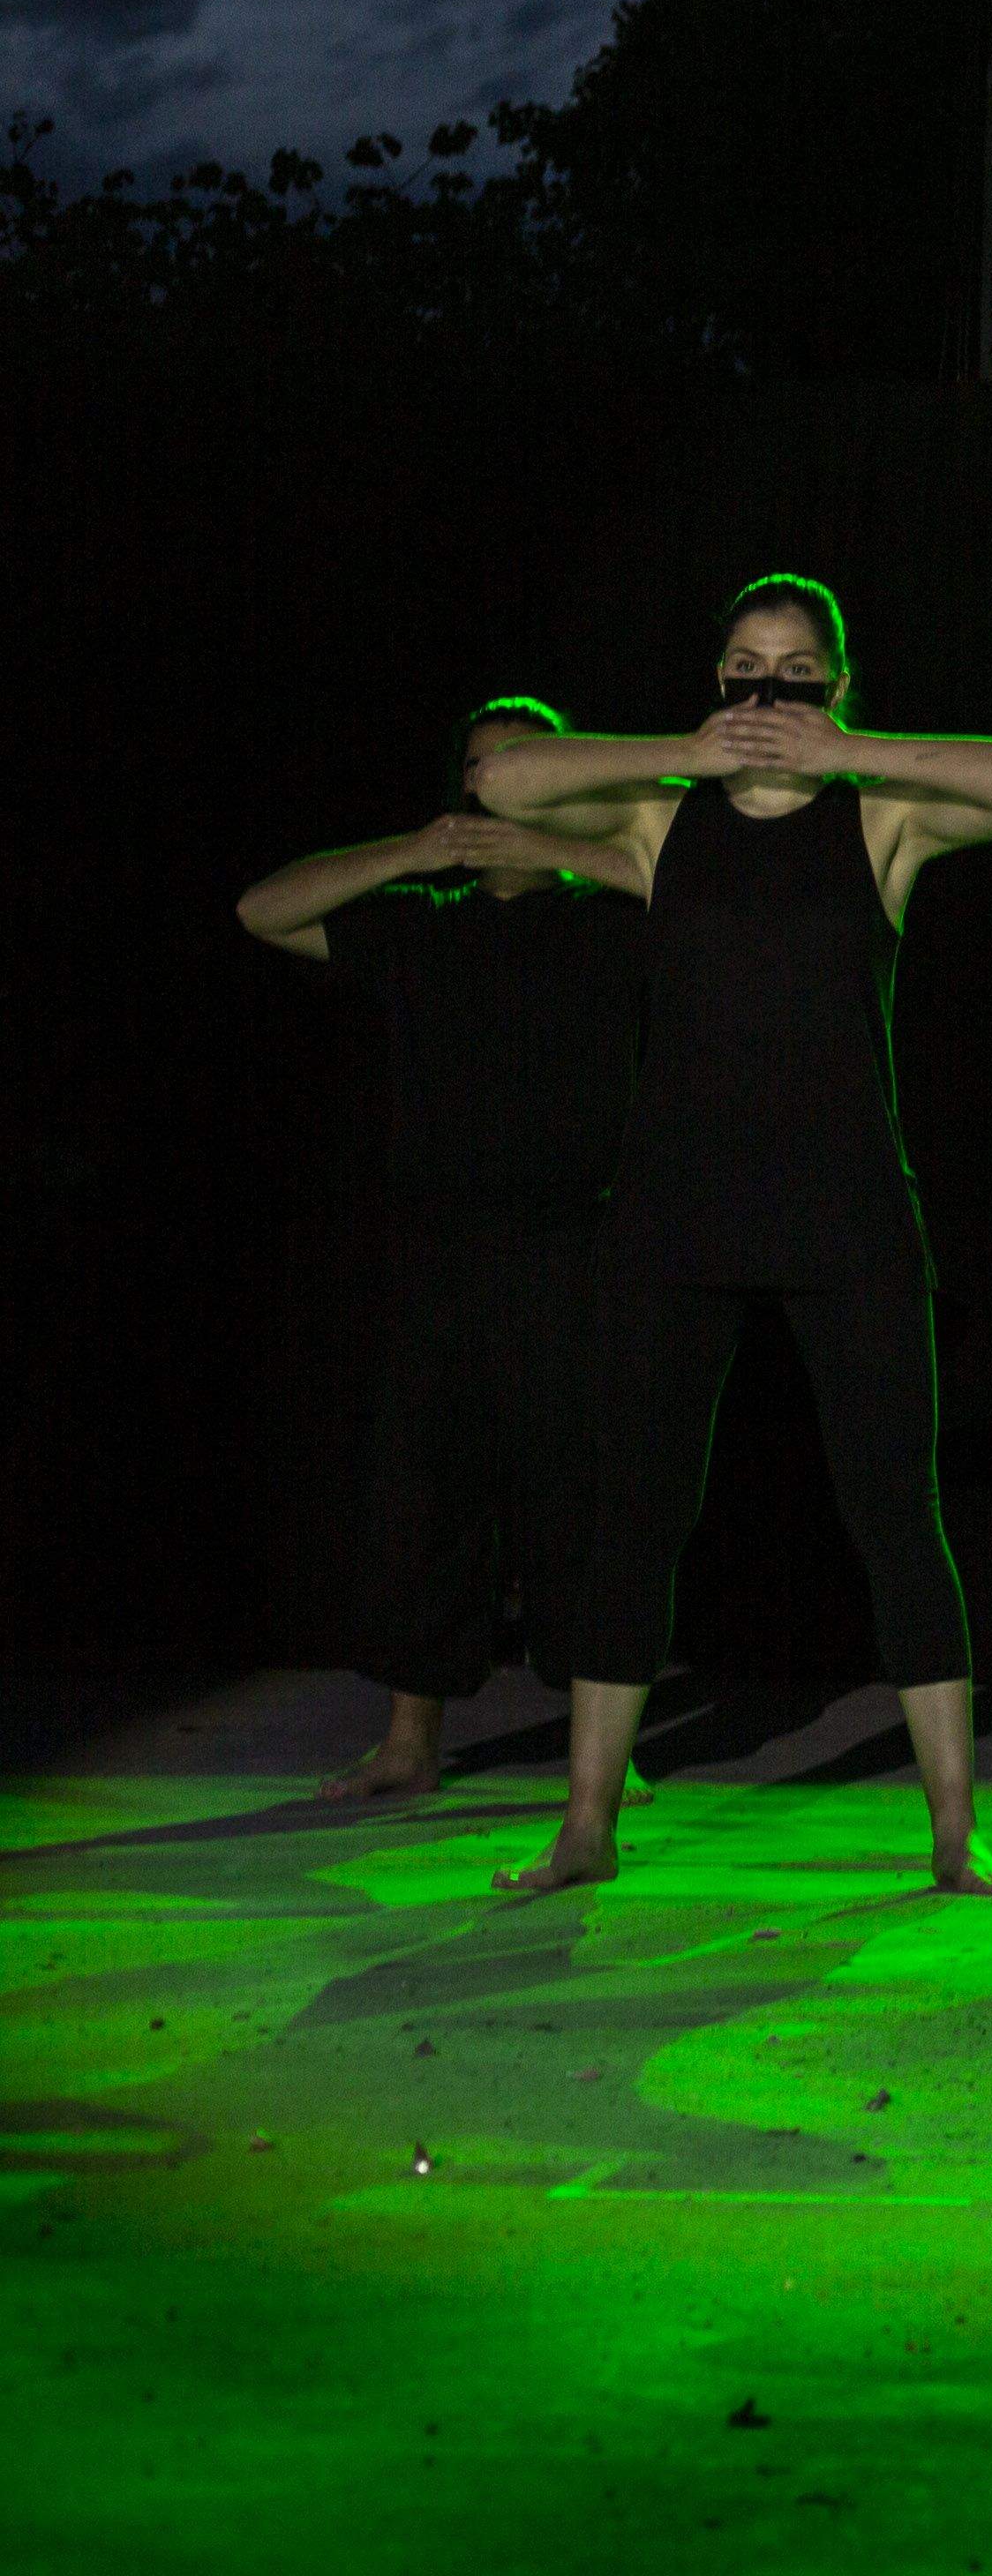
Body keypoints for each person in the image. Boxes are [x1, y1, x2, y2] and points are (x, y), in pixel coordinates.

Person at [476, 573, 992, 1897]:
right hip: (677, 1213)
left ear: (838, 684)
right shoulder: (656, 818)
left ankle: (959, 1833)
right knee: (637, 1517)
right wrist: (688, 749)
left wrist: (844, 751)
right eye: (746, 668)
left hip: (848, 1212)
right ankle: (585, 1829)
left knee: (897, 1518)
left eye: (799, 671)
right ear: (716, 678)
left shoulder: (883, 819)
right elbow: (508, 782)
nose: (768, 695)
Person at [234, 700, 648, 1801]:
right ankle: (410, 1741)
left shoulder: (611, 913)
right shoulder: (425, 917)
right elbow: (261, 910)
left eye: (523, 768)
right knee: (425, 1499)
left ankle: (603, 1752)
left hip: (574, 1246)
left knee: (582, 1499)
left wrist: (560, 847)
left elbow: (708, 899)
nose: (496, 787)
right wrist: (419, 850)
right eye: (480, 770)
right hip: (441, 1250)